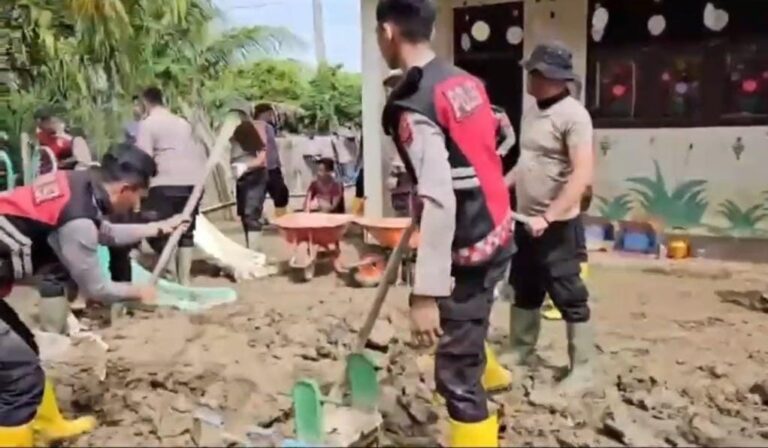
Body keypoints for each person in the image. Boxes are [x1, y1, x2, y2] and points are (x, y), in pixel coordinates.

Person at [376, 1, 515, 446]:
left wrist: (425, 292)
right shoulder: (465, 81)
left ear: (387, 31)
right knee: (469, 320)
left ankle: (477, 413)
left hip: (471, 241)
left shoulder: (413, 103)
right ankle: (491, 374)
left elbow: (439, 200)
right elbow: (500, 132)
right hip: (499, 229)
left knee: (453, 373)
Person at [0, 146, 186, 446]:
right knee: (19, 376)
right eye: (139, 196)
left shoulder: (77, 185)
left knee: (24, 351)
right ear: (125, 188)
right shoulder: (78, 220)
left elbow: (105, 232)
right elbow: (96, 289)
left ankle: (49, 425)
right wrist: (138, 292)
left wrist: (156, 228)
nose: (138, 205)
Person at [503, 42, 596, 394]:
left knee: (568, 291)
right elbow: (526, 162)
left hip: (557, 224)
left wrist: (551, 215)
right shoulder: (530, 112)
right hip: (525, 218)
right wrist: (502, 184)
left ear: (551, 77)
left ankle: (583, 369)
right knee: (525, 285)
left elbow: (581, 173)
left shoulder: (574, 116)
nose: (529, 77)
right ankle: (521, 349)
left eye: (535, 72)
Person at [135, 86, 207, 286]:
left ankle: (171, 275)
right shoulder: (182, 123)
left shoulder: (148, 124)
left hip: (164, 183)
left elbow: (144, 158)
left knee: (160, 229)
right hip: (192, 183)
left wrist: (140, 186)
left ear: (144, 103)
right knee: (186, 230)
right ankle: (185, 280)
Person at [229, 103, 267, 247]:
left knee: (251, 215)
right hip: (243, 176)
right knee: (246, 216)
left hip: (254, 175)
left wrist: (245, 166)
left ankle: (254, 254)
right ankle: (251, 250)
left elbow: (262, 154)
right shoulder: (235, 129)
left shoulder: (248, 127)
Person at [253, 103, 290, 219]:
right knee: (278, 193)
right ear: (265, 113)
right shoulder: (260, 127)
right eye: (270, 113)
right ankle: (279, 217)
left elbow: (272, 147)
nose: (271, 116)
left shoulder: (267, 127)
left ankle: (279, 216)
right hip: (264, 168)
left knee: (278, 193)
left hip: (269, 167)